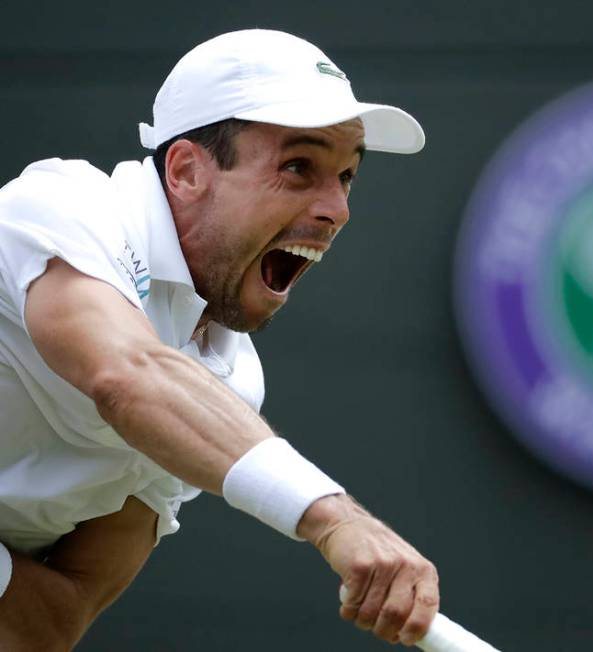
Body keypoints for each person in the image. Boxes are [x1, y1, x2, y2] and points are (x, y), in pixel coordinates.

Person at [0, 29, 439, 650]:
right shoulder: (61, 205)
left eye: (346, 176)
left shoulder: (231, 383)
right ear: (184, 172)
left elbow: (52, 625)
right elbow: (127, 377)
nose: (336, 208)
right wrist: (332, 518)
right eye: (298, 167)